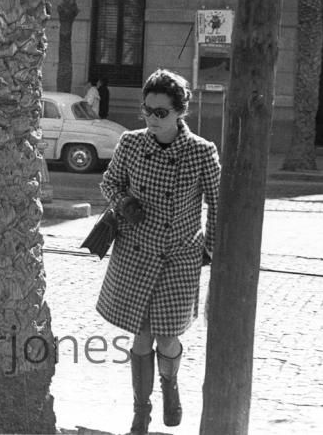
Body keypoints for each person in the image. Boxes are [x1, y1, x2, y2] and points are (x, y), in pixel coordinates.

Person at [95, 69, 220, 435]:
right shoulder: (131, 143)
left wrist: (207, 251)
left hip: (180, 257)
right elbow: (110, 182)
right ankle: (141, 411)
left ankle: (170, 384)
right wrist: (123, 201)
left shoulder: (201, 151)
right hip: (136, 252)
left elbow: (217, 203)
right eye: (147, 110)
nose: (152, 118)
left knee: (168, 336)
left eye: (161, 112)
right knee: (142, 334)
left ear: (180, 112)